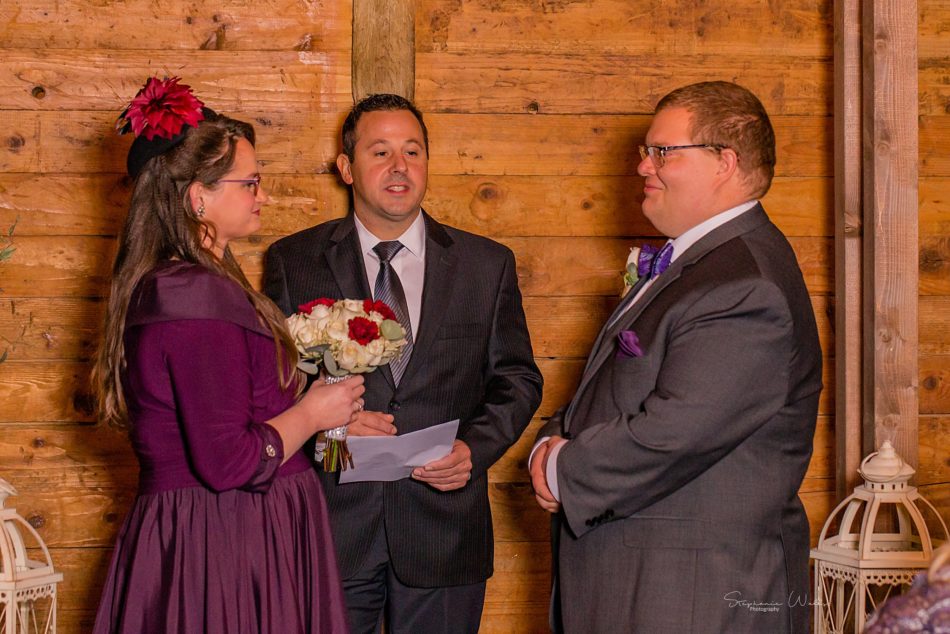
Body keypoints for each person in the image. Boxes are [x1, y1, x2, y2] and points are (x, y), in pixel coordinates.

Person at [530, 81, 822, 633]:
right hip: (644, 584)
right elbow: (609, 393)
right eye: (646, 150)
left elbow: (676, 431)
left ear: (724, 163)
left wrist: (560, 467)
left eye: (662, 151)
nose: (644, 165)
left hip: (690, 597)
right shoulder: (705, 263)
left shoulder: (745, 285)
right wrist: (550, 439)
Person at [93, 76, 364, 633]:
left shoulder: (195, 285)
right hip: (224, 543)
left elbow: (242, 418)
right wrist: (312, 413)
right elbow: (228, 462)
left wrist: (332, 422)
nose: (263, 196)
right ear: (199, 197)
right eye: (251, 183)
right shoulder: (191, 293)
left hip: (227, 531)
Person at [264, 93, 543, 633]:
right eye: (381, 152)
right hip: (335, 524)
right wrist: (330, 429)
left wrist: (474, 449)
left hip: (443, 531)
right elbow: (274, 384)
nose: (400, 167)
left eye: (413, 152)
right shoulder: (294, 259)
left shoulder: (486, 264)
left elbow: (518, 379)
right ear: (346, 167)